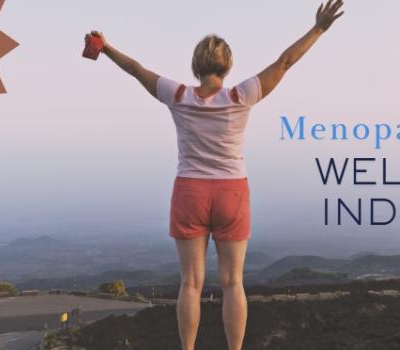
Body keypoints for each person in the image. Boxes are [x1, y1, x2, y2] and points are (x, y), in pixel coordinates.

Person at [87, 1, 344, 349]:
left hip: (189, 191)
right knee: (232, 283)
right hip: (231, 192)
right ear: (228, 65)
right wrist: (318, 29)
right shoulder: (242, 96)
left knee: (190, 283)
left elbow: (135, 68)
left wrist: (105, 47)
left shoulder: (177, 95)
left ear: (196, 66)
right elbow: (285, 61)